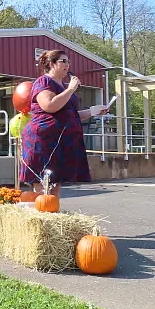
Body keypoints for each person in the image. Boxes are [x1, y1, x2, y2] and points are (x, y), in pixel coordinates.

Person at [19, 50, 108, 201]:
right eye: (63, 61)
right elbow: (49, 106)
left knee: (55, 183)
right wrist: (71, 89)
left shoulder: (63, 86)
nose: (68, 65)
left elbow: (69, 115)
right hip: (43, 141)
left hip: (60, 142)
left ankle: (52, 214)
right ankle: (43, 216)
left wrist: (92, 111)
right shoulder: (43, 82)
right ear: (52, 64)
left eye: (68, 61)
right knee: (43, 186)